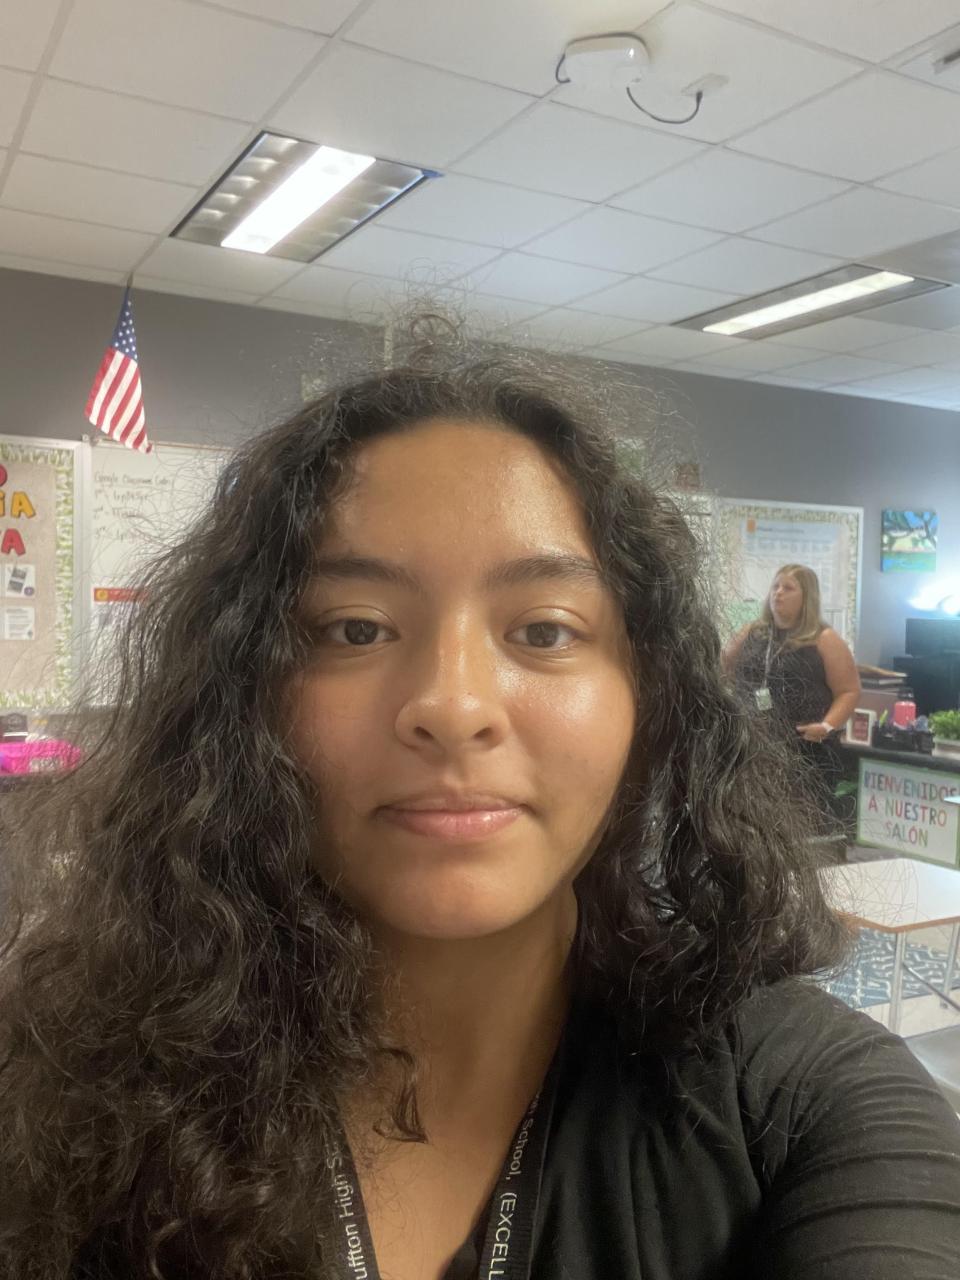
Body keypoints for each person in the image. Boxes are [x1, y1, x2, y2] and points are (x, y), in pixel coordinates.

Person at [0, 317, 958, 1280]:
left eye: (544, 631)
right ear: (245, 693)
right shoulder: (58, 1090)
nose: (454, 707)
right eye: (357, 628)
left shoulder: (800, 1106)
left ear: (647, 697)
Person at [722, 564, 861, 826]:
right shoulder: (752, 632)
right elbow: (723, 668)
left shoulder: (824, 639)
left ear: (807, 596)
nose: (778, 593)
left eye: (788, 588)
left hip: (804, 747)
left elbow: (849, 691)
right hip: (752, 744)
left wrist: (827, 726)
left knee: (798, 821)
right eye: (775, 586)